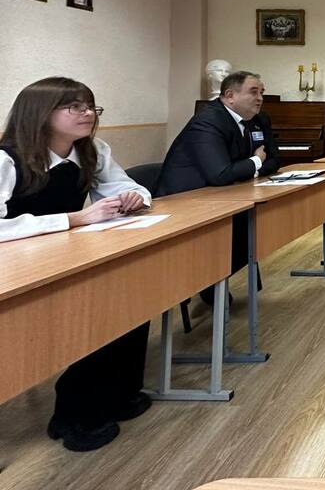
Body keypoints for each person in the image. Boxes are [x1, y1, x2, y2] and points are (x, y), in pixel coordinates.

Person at [0, 77, 152, 452]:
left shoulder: (92, 150)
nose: (88, 114)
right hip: (16, 268)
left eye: (91, 107)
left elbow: (127, 186)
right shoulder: (7, 159)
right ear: (40, 113)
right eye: (75, 107)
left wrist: (133, 198)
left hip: (66, 255)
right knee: (91, 311)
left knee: (136, 295)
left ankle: (118, 394)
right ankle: (74, 414)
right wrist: (73, 219)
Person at [158, 71, 279, 301]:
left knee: (255, 225)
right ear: (230, 96)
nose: (260, 98)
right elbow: (221, 174)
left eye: (262, 92)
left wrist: (250, 169)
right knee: (242, 227)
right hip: (187, 202)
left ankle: (212, 279)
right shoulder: (209, 120)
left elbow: (274, 160)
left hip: (226, 194)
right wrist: (256, 161)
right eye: (254, 92)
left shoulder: (260, 119)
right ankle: (206, 279)